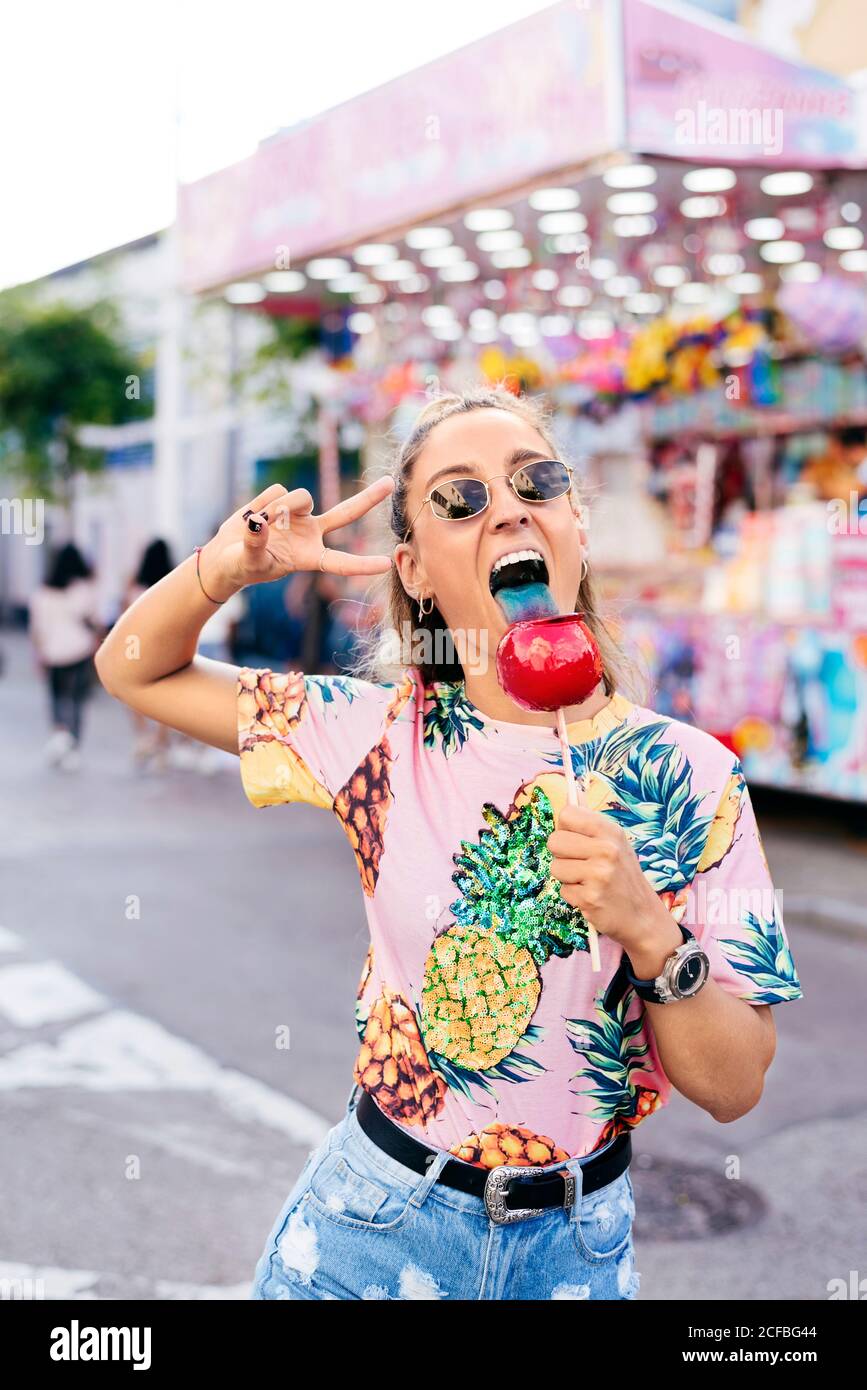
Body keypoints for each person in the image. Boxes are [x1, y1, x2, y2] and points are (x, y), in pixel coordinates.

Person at [93, 386, 803, 1301]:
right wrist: (228, 568)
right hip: (373, 1233)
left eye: (534, 482)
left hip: (577, 1254)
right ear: (415, 569)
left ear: (575, 528)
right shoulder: (372, 735)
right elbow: (132, 666)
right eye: (457, 499)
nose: (505, 506)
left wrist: (649, 932)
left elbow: (734, 1085)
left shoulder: (697, 778)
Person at [29, 542, 104, 771]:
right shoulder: (82, 589)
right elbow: (93, 621)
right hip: (79, 651)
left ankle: (59, 736)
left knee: (57, 698)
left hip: (53, 653)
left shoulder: (43, 592)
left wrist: (39, 654)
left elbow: (37, 629)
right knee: (76, 701)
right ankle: (73, 746)